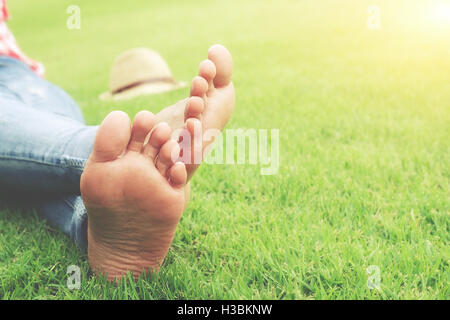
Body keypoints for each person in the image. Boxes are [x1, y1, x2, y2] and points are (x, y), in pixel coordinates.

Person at [0, 0, 235, 280]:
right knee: (36, 161)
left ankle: (117, 158)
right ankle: (111, 166)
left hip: (22, 78)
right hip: (33, 88)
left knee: (43, 141)